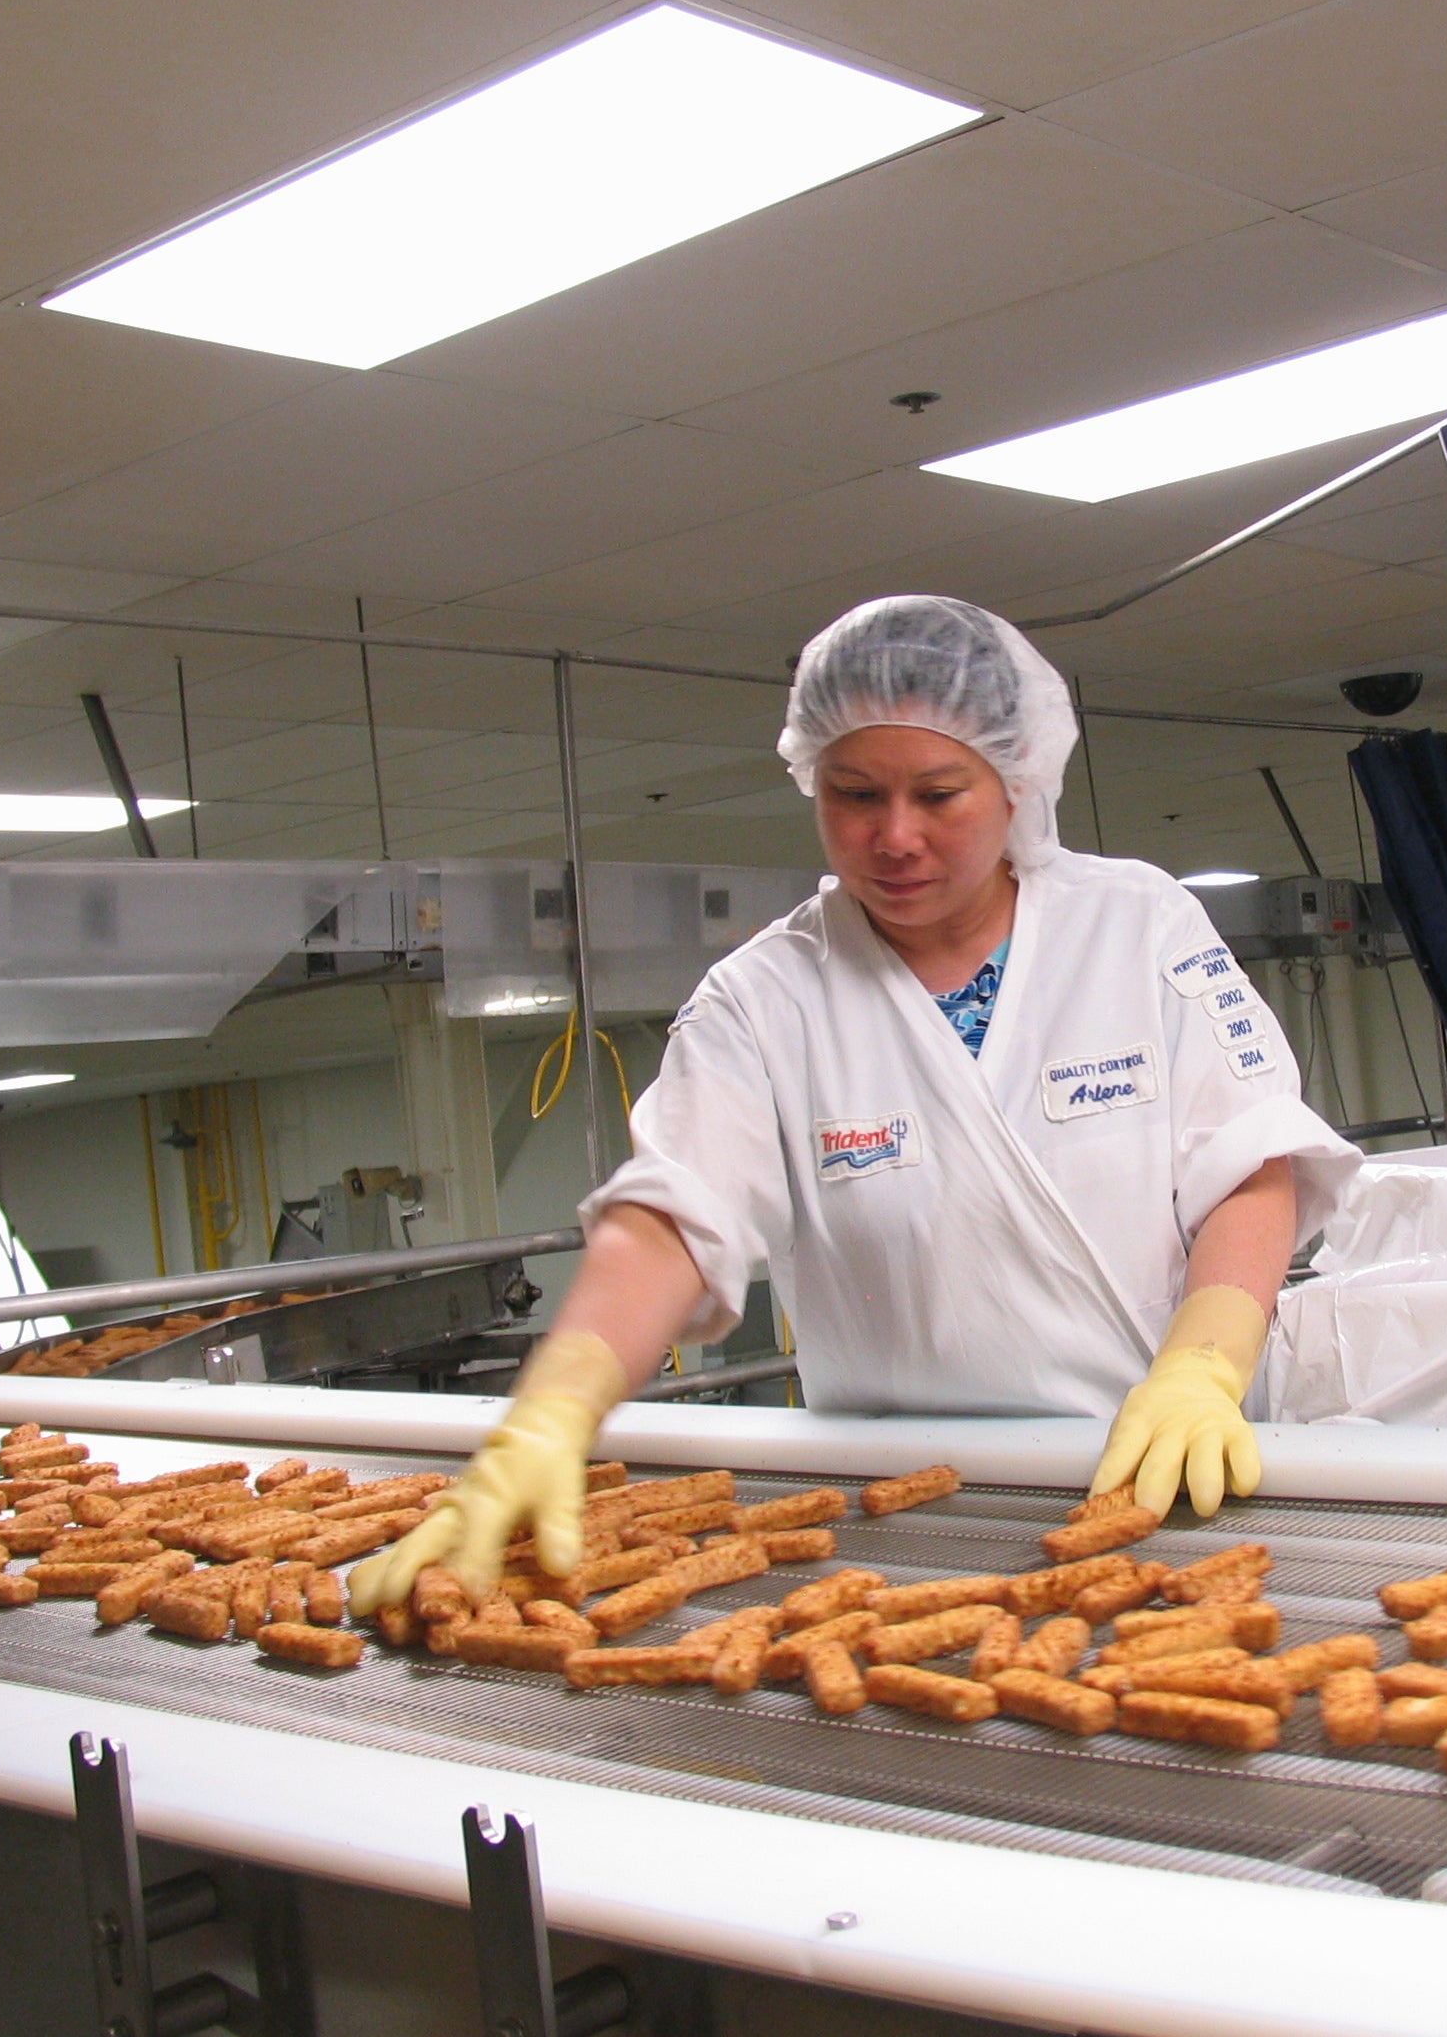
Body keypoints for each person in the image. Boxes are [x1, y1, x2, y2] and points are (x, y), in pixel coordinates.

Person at [354, 595, 1355, 1612]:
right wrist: (552, 1411)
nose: (895, 836)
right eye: (854, 793)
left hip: (1173, 1468)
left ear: (1017, 781)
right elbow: (670, 1216)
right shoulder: (766, 999)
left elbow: (1252, 1161)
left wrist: (1204, 1367)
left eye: (938, 792)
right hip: (912, 1520)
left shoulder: (1134, 925)